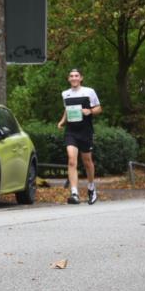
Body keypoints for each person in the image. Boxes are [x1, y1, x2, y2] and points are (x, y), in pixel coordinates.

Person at [57, 68, 102, 205]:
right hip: (71, 131)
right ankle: (74, 193)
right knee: (71, 160)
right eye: (71, 76)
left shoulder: (89, 92)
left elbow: (99, 108)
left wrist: (90, 111)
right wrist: (62, 122)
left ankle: (91, 188)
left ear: (81, 78)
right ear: (68, 79)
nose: (74, 78)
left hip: (85, 131)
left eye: (76, 76)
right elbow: (67, 110)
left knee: (87, 162)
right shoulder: (65, 94)